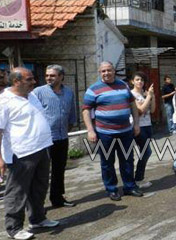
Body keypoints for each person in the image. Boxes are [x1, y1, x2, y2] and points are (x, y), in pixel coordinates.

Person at [0, 67, 59, 240]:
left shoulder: (32, 96)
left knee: (40, 186)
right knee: (17, 191)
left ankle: (37, 219)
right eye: (29, 79)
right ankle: (13, 228)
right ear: (16, 81)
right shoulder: (2, 102)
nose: (34, 82)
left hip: (42, 148)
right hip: (21, 154)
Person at [82, 61, 143, 201]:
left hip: (126, 131)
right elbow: (86, 111)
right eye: (103, 71)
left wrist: (136, 124)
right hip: (104, 133)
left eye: (109, 70)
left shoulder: (124, 85)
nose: (106, 73)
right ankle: (111, 189)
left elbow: (132, 105)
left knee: (127, 160)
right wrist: (90, 130)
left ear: (114, 71)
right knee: (107, 162)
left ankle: (129, 186)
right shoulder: (93, 89)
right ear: (100, 72)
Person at [32, 65, 77, 208]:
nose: (48, 78)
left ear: (61, 76)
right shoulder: (38, 92)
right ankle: (38, 206)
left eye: (52, 75)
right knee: (41, 174)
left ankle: (57, 199)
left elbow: (72, 114)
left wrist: (66, 129)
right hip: (44, 140)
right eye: (47, 75)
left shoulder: (69, 92)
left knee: (59, 170)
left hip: (62, 138)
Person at [129, 72, 155, 189]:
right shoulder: (132, 95)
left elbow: (153, 110)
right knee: (146, 152)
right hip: (138, 126)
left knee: (145, 152)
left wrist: (151, 96)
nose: (140, 82)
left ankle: (138, 177)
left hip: (147, 125)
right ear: (132, 81)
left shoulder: (145, 94)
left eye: (142, 80)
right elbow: (140, 111)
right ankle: (138, 178)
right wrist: (148, 98)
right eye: (137, 79)